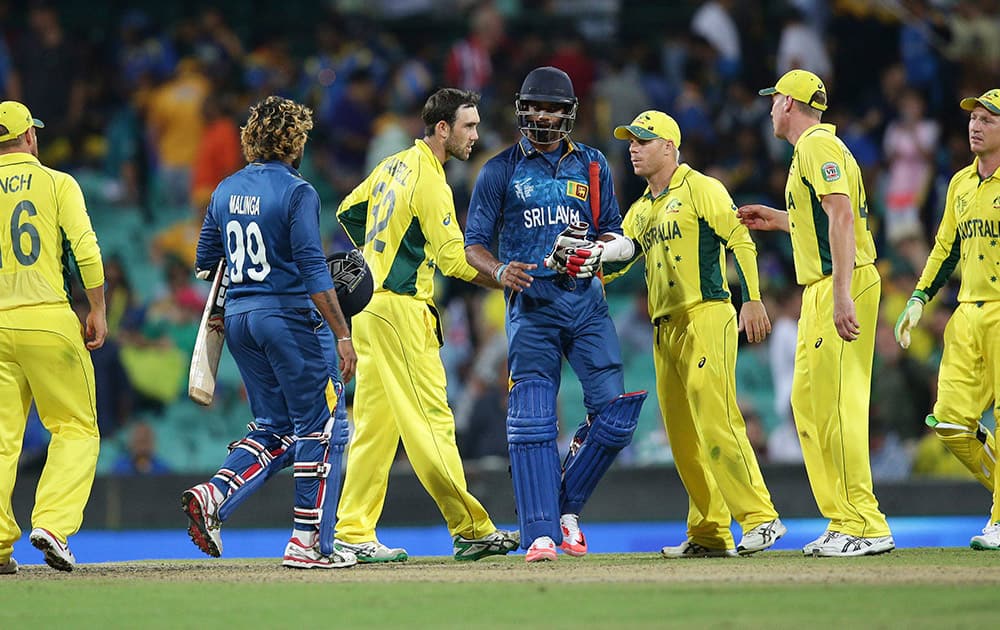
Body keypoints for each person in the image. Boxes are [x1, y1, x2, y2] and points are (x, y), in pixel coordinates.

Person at [465, 66, 647, 562]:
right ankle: (542, 532)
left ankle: (563, 510)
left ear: (569, 114)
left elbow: (612, 231)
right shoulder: (499, 169)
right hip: (532, 307)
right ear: (522, 110)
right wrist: (501, 271)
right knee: (532, 422)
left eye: (553, 108)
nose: (544, 116)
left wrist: (597, 252)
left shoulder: (592, 165)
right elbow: (473, 246)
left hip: (587, 304)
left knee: (615, 415)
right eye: (536, 107)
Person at [334, 88, 519, 563]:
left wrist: (378, 257)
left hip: (369, 310)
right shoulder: (430, 181)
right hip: (400, 311)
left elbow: (348, 211)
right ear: (443, 129)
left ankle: (353, 530)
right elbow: (455, 261)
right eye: (469, 126)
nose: (475, 135)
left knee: (376, 428)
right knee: (432, 424)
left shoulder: (392, 165)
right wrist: (502, 276)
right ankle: (472, 528)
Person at [184, 95, 358, 570]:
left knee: (274, 428)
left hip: (240, 319)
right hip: (287, 316)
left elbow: (204, 263)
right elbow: (310, 266)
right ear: (294, 140)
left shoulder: (224, 190)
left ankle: (215, 493)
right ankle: (307, 542)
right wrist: (342, 333)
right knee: (320, 425)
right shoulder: (298, 191)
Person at [608, 110, 784, 558]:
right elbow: (620, 260)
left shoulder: (701, 188)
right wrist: (585, 262)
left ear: (669, 146)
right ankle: (708, 533)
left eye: (643, 140)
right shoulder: (641, 209)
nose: (633, 147)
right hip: (665, 328)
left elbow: (740, 239)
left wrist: (753, 298)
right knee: (683, 438)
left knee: (716, 420)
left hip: (706, 314)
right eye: (631, 140)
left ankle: (762, 518)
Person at [738, 70, 894, 557]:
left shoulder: (817, 147)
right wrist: (781, 220)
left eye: (773, 100)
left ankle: (865, 523)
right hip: (820, 288)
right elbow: (823, 218)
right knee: (807, 404)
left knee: (838, 405)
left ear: (787, 102)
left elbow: (843, 215)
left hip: (838, 287)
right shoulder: (815, 150)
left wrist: (843, 293)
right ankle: (842, 517)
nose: (769, 109)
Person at [0, 101, 107, 574]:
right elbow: (85, 246)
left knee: (3, 441)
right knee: (76, 427)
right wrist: (98, 308)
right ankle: (53, 523)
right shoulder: (57, 182)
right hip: (47, 318)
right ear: (29, 138)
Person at [894, 89, 1000, 551]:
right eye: (973, 118)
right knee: (951, 423)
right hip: (967, 313)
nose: (975, 126)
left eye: (988, 120)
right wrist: (919, 298)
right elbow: (944, 248)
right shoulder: (959, 183)